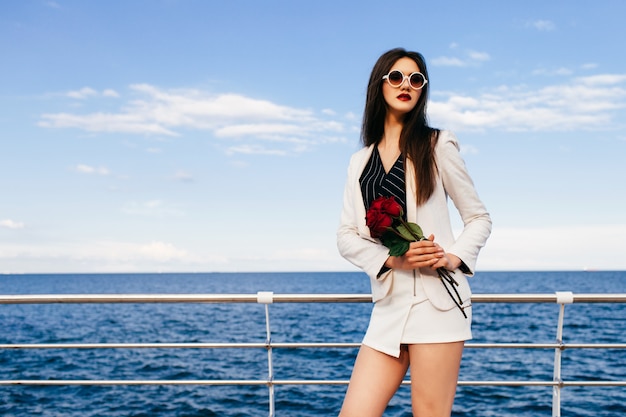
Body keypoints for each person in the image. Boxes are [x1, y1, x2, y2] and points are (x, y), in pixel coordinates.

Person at [336, 47, 492, 417]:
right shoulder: (359, 162)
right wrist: (392, 259)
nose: (406, 84)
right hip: (388, 310)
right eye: (396, 77)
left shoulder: (438, 144)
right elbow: (345, 235)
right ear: (380, 84)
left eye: (416, 79)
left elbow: (479, 217)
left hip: (438, 307)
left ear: (422, 90)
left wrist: (452, 256)